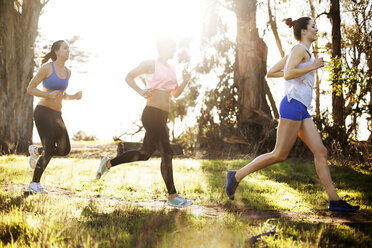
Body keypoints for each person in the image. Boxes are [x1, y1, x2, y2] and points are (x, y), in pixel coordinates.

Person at [226, 17, 359, 212]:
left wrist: (302, 68)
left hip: (301, 107)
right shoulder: (299, 50)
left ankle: (334, 200)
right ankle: (236, 176)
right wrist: (312, 67)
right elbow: (287, 74)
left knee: (321, 151)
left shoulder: (300, 52)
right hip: (292, 105)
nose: (316, 29)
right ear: (304, 31)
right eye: (313, 26)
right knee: (279, 154)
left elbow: (272, 72)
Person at [96, 36, 192, 208]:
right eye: (171, 46)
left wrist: (185, 80)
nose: (173, 50)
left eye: (174, 47)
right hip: (151, 114)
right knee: (167, 152)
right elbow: (129, 76)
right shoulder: (150, 64)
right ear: (161, 47)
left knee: (144, 154)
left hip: (162, 116)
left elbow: (175, 93)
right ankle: (172, 196)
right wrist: (140, 90)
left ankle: (108, 163)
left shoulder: (171, 68)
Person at [27, 40, 82, 193]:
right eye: (65, 48)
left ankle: (37, 150)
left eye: (69, 48)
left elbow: (60, 95)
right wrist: (47, 94)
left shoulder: (68, 72)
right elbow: (30, 88)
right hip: (43, 112)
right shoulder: (47, 68)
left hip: (57, 114)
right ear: (56, 51)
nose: (68, 50)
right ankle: (34, 184)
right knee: (50, 148)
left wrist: (73, 97)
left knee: (65, 149)